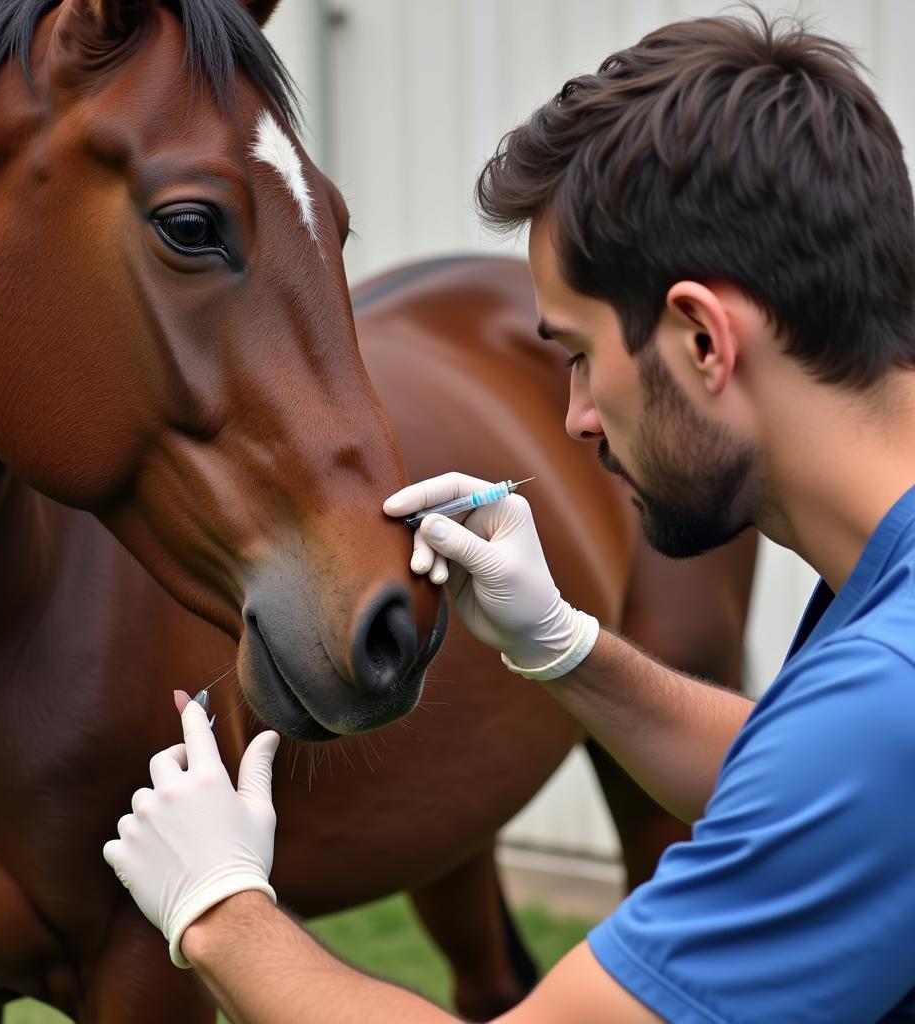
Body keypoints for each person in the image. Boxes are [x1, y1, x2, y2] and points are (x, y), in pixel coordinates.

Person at [102, 9, 915, 1023]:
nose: (573, 416)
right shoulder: (883, 641)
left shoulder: (889, 697)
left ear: (703, 341)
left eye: (577, 354)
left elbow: (853, 756)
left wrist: (218, 906)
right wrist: (562, 646)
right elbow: (802, 777)